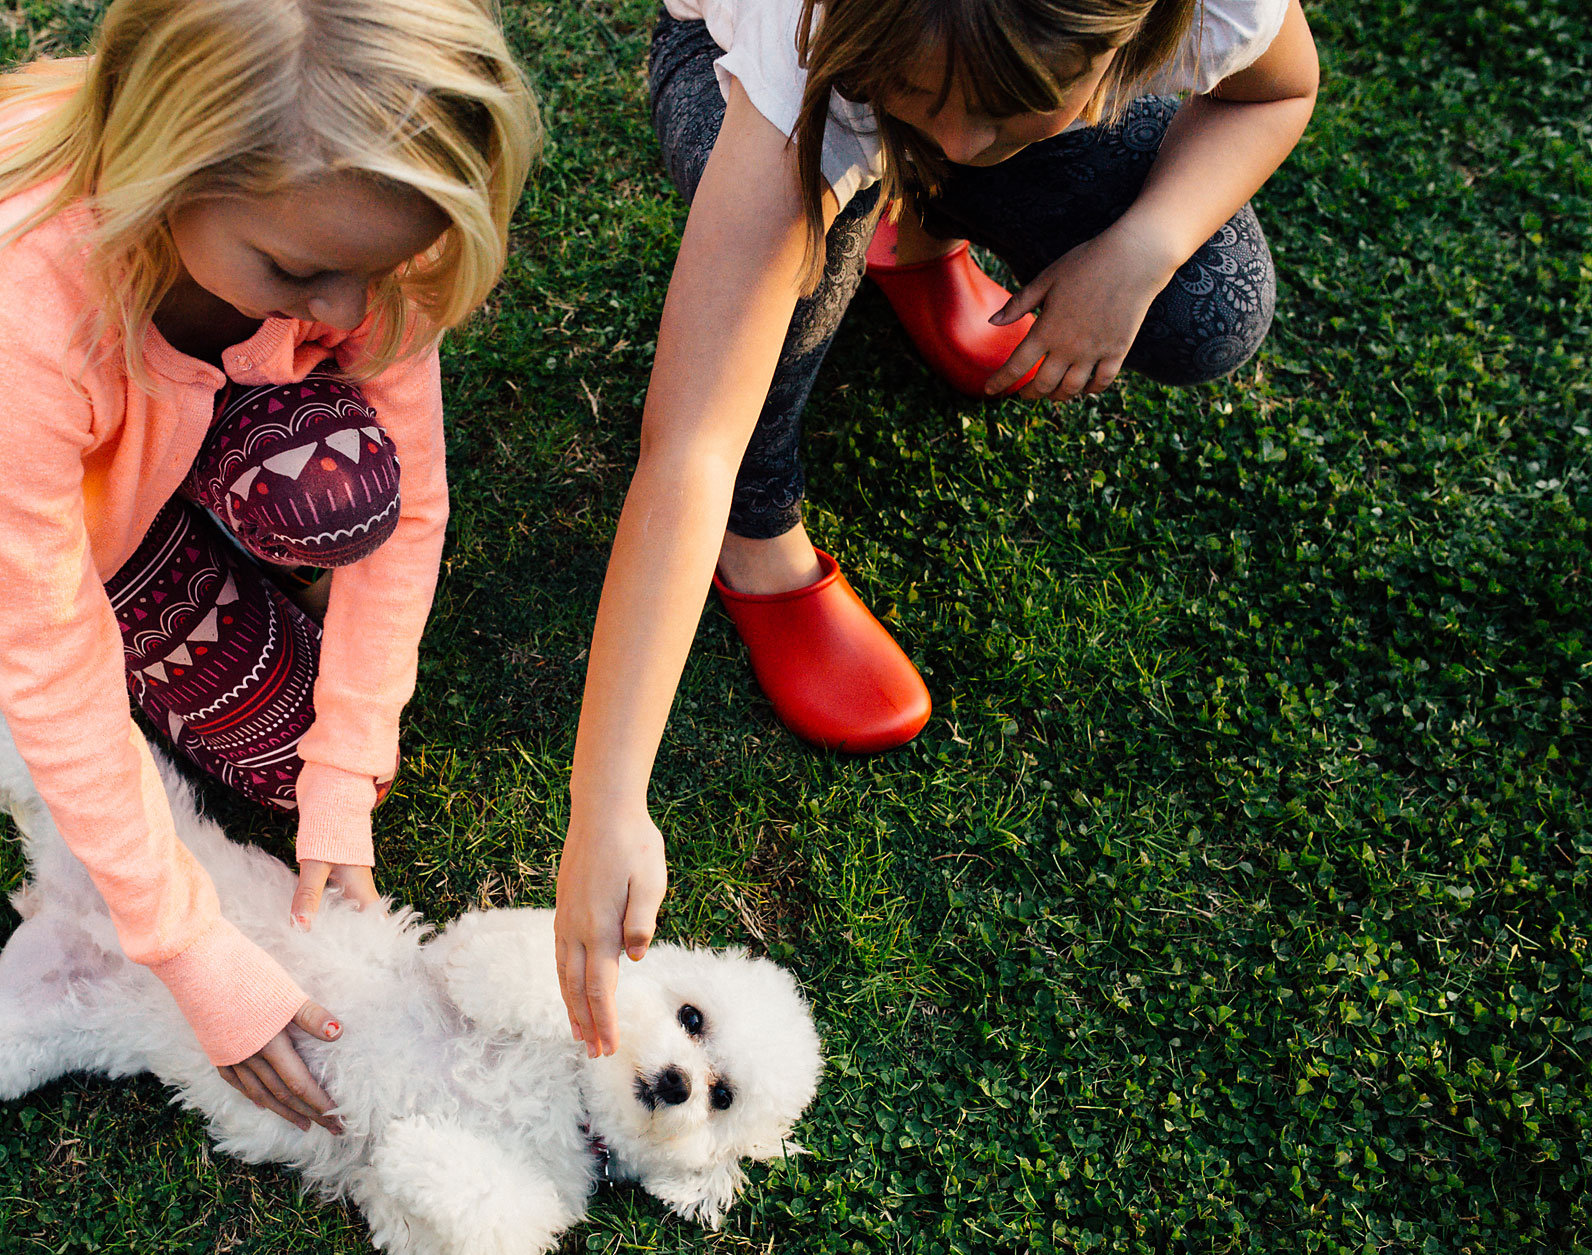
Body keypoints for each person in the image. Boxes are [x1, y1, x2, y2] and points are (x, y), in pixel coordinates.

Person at [554, 0, 1318, 1053]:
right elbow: (688, 445)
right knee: (795, 256)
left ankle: (916, 235)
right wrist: (606, 804)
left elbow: (1278, 88)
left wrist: (1138, 249)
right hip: (770, 67)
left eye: (998, 123)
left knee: (1208, 300)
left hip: (942, 67)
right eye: (928, 113)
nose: (955, 144)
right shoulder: (804, 38)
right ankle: (759, 538)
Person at [0, 0, 538, 1128]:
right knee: (231, 706)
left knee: (334, 555)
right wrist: (188, 950)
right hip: (71, 484)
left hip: (196, 378)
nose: (348, 310)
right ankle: (47, 522)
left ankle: (218, 474)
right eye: (300, 267)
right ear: (169, 173)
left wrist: (345, 774)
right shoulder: (25, 312)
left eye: (377, 267)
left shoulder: (347, 228)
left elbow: (413, 505)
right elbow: (46, 654)